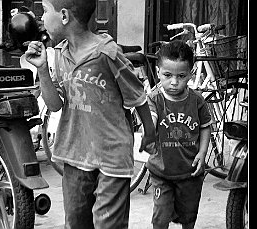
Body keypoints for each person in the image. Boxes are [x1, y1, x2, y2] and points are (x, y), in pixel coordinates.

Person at [24, 0, 156, 228]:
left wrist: (149, 132)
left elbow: (138, 96)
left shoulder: (108, 53)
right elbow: (55, 105)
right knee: (76, 222)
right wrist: (42, 69)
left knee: (108, 224)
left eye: (45, 11)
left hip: (112, 157)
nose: (41, 18)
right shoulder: (59, 54)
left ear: (64, 16)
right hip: (75, 154)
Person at [146, 40, 212, 229]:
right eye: (167, 75)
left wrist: (202, 152)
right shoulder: (154, 99)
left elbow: (205, 126)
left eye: (181, 76)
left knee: (188, 216)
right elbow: (150, 118)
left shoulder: (197, 100)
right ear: (158, 71)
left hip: (191, 172)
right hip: (161, 172)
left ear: (190, 74)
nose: (174, 82)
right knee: (161, 216)